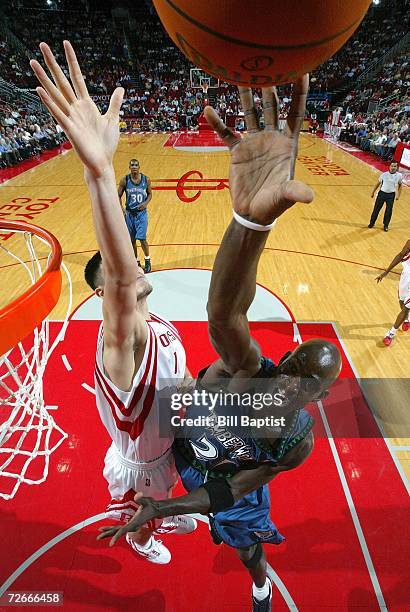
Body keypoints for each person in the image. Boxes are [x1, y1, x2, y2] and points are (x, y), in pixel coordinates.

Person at [98, 77, 342, 612]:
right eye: (294, 361)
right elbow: (224, 311)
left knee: (248, 548)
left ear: (316, 398)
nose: (290, 371)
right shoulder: (252, 372)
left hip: (224, 480)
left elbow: (228, 491)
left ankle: (259, 584)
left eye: (305, 377)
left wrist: (160, 511)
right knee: (153, 418)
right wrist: (248, 222)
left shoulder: (293, 442)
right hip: (186, 449)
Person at [30, 41, 197, 565]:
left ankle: (163, 513)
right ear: (106, 294)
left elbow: (173, 365)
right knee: (140, 508)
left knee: (165, 493)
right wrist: (100, 175)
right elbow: (124, 282)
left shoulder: (153, 322)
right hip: (142, 461)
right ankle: (142, 535)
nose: (134, 273)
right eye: (119, 276)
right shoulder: (119, 343)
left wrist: (190, 389)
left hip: (167, 442)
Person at [118, 159, 152, 273]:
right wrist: (121, 209)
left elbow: (150, 194)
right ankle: (136, 262)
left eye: (136, 165)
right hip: (129, 214)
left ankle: (147, 260)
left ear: (139, 167)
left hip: (141, 214)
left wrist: (145, 203)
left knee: (142, 239)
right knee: (132, 240)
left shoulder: (146, 179)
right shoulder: (124, 180)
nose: (134, 167)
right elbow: (118, 195)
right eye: (132, 165)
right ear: (129, 167)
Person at [376, 239, 410, 346]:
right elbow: (400, 255)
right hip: (406, 277)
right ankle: (408, 319)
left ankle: (390, 333)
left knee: (405, 308)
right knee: (401, 301)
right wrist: (386, 272)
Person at [368, 161, 403, 231]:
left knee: (389, 211)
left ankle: (386, 225)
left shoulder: (399, 175)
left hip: (391, 195)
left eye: (395, 166)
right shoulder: (384, 175)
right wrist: (373, 192)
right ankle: (372, 223)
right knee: (376, 209)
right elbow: (378, 184)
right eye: (392, 166)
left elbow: (400, 185)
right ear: (389, 166)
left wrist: (398, 195)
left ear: (397, 167)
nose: (393, 168)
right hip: (382, 194)